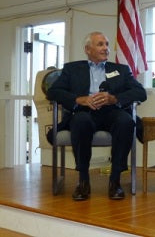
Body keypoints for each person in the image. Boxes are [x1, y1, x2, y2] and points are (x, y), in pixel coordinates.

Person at [47, 31, 147, 201]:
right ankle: (83, 181)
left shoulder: (121, 70)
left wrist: (114, 99)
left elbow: (140, 92)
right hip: (84, 112)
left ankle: (115, 181)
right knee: (80, 121)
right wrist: (79, 99)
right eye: (100, 44)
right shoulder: (72, 69)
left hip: (112, 112)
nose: (106, 48)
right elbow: (53, 92)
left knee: (126, 122)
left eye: (107, 44)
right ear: (87, 49)